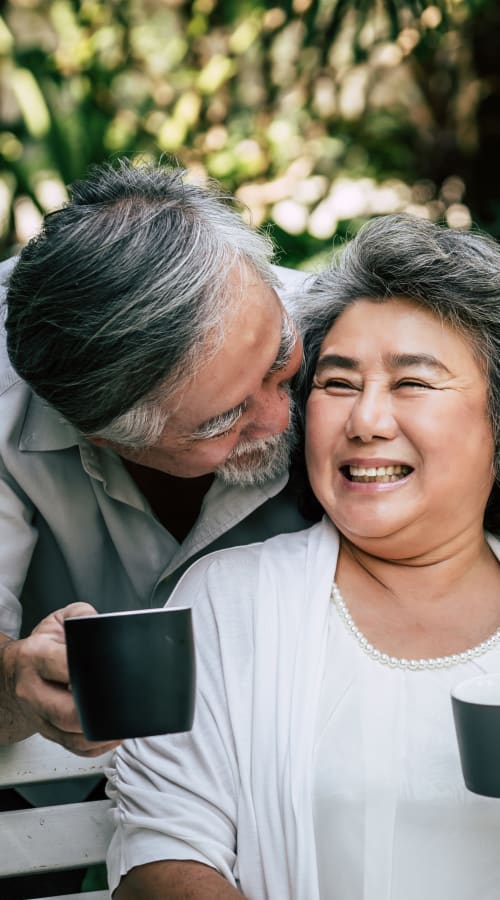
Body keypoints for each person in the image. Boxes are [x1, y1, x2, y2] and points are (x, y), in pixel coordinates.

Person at [106, 213, 500, 900]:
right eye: (338, 383)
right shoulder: (227, 602)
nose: (366, 421)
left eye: (412, 384)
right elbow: (164, 853)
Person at [0, 158, 310, 759]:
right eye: (224, 419)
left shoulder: (347, 324)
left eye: (280, 359)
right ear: (106, 438)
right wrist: (18, 681)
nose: (280, 418)